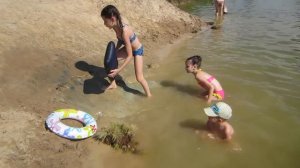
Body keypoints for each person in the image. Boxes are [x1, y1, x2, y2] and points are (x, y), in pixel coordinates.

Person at [101, 5, 152, 97]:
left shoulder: (125, 31)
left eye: (105, 21)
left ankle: (149, 95)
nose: (104, 24)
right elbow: (121, 40)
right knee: (111, 61)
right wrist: (115, 51)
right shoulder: (115, 27)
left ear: (112, 19)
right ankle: (113, 84)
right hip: (128, 48)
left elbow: (129, 56)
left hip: (137, 51)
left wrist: (118, 70)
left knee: (139, 78)